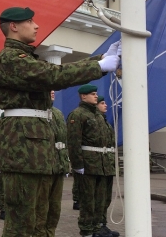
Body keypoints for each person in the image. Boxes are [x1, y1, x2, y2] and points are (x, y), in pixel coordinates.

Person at [0, 6, 120, 236]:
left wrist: (101, 59)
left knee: (46, 221)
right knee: (22, 225)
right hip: (23, 152)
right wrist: (98, 67)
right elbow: (53, 75)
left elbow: (54, 71)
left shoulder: (25, 58)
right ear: (13, 26)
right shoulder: (9, 59)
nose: (36, 25)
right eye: (30, 21)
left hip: (38, 152)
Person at [67, 84, 114, 237]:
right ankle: (87, 231)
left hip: (102, 164)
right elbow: (74, 142)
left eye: (96, 93)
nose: (95, 96)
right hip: (88, 165)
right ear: (83, 96)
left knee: (101, 200)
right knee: (88, 201)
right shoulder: (78, 114)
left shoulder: (98, 116)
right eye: (92, 94)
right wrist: (77, 165)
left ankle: (97, 228)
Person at [34, 90, 69, 236]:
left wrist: (65, 162)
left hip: (58, 167)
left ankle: (50, 233)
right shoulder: (35, 113)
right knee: (41, 207)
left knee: (55, 208)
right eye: (48, 88)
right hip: (43, 167)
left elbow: (63, 140)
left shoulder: (58, 114)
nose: (52, 91)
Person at [95, 96, 119, 237]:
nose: (106, 105)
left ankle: (103, 225)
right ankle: (96, 227)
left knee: (105, 198)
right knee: (98, 198)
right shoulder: (95, 121)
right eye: (102, 103)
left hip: (108, 165)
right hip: (99, 165)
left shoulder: (105, 123)